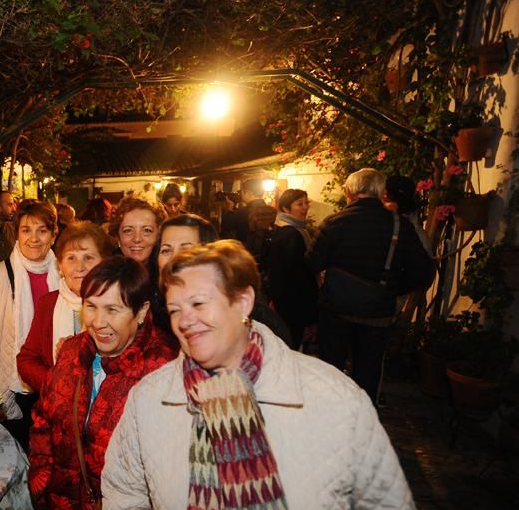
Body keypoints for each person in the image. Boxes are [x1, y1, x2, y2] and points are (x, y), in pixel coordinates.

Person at [102, 241, 439, 510]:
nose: (185, 319)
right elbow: (122, 500)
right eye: (176, 309)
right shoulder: (151, 400)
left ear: (243, 301)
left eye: (198, 303)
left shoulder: (332, 397)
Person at [29, 256, 177, 510]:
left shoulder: (161, 372)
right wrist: (44, 485)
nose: (98, 321)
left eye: (113, 309)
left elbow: (163, 477)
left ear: (141, 311)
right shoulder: (71, 352)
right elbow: (45, 419)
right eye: (91, 306)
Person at [309, 168, 435, 403]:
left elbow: (313, 262)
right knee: (368, 371)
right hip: (377, 314)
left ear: (349, 191)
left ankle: (329, 416)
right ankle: (363, 423)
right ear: (381, 192)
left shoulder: (334, 222)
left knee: (331, 369)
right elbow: (423, 272)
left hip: (337, 310)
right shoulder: (400, 226)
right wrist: (391, 287)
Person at [0, 201, 60, 449]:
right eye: (26, 230)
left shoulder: (67, 276)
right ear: (16, 233)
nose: (34, 238)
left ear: (53, 234)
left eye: (42, 230)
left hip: (57, 388)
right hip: (12, 392)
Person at [149, 214, 292, 346]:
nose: (174, 259)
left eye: (186, 250)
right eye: (166, 250)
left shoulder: (258, 321)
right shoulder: (149, 313)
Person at [17, 220, 113, 393]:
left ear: (104, 263)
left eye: (88, 258)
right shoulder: (48, 303)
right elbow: (26, 360)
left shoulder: (118, 305)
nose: (79, 267)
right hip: (56, 408)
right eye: (71, 258)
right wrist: (55, 383)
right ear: (60, 265)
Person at [266, 188, 318, 350]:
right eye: (299, 204)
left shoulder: (280, 229)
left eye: (306, 203)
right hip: (293, 303)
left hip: (282, 300)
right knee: (292, 345)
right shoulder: (292, 235)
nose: (304, 208)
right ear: (285, 208)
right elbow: (297, 274)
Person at [108, 197, 164, 268]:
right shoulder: (105, 275)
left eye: (147, 230)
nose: (137, 239)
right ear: (117, 237)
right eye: (128, 230)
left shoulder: (169, 272)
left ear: (157, 235)